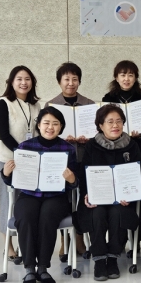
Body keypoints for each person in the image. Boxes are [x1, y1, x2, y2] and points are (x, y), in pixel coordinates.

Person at [1, 107, 78, 283]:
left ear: (61, 127)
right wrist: (6, 173)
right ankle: (29, 268)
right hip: (29, 195)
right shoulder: (25, 147)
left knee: (48, 216)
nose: (50, 127)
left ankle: (42, 268)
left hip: (56, 197)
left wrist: (72, 179)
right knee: (26, 216)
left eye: (55, 124)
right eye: (46, 123)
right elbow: (13, 181)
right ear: (39, 125)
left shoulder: (68, 149)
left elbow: (75, 183)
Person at [76, 104, 141, 281]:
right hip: (97, 197)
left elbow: (137, 173)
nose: (115, 125)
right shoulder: (91, 145)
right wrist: (87, 195)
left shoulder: (131, 145)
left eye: (119, 121)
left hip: (122, 199)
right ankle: (99, 259)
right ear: (100, 125)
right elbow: (84, 174)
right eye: (110, 121)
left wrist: (131, 195)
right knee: (96, 214)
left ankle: (113, 258)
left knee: (118, 213)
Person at [46, 61, 95, 257]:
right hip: (61, 160)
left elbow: (98, 132)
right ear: (59, 81)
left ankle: (80, 238)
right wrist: (59, 137)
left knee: (83, 199)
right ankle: (64, 241)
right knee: (63, 200)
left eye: (75, 79)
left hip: (84, 157)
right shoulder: (51, 105)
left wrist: (88, 138)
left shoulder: (89, 104)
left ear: (79, 81)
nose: (70, 83)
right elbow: (45, 134)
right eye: (66, 79)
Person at [0, 66, 41, 261]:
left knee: (26, 203)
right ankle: (9, 247)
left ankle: (25, 243)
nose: (24, 82)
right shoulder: (3, 103)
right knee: (8, 201)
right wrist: (22, 153)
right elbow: (4, 134)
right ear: (11, 82)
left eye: (27, 79)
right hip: (9, 160)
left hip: (31, 161)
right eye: (19, 79)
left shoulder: (36, 105)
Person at [102, 60, 141, 181]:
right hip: (115, 147)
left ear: (135, 78)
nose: (126, 79)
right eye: (123, 75)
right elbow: (103, 125)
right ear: (116, 78)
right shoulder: (108, 99)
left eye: (130, 75)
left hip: (138, 146)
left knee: (138, 181)